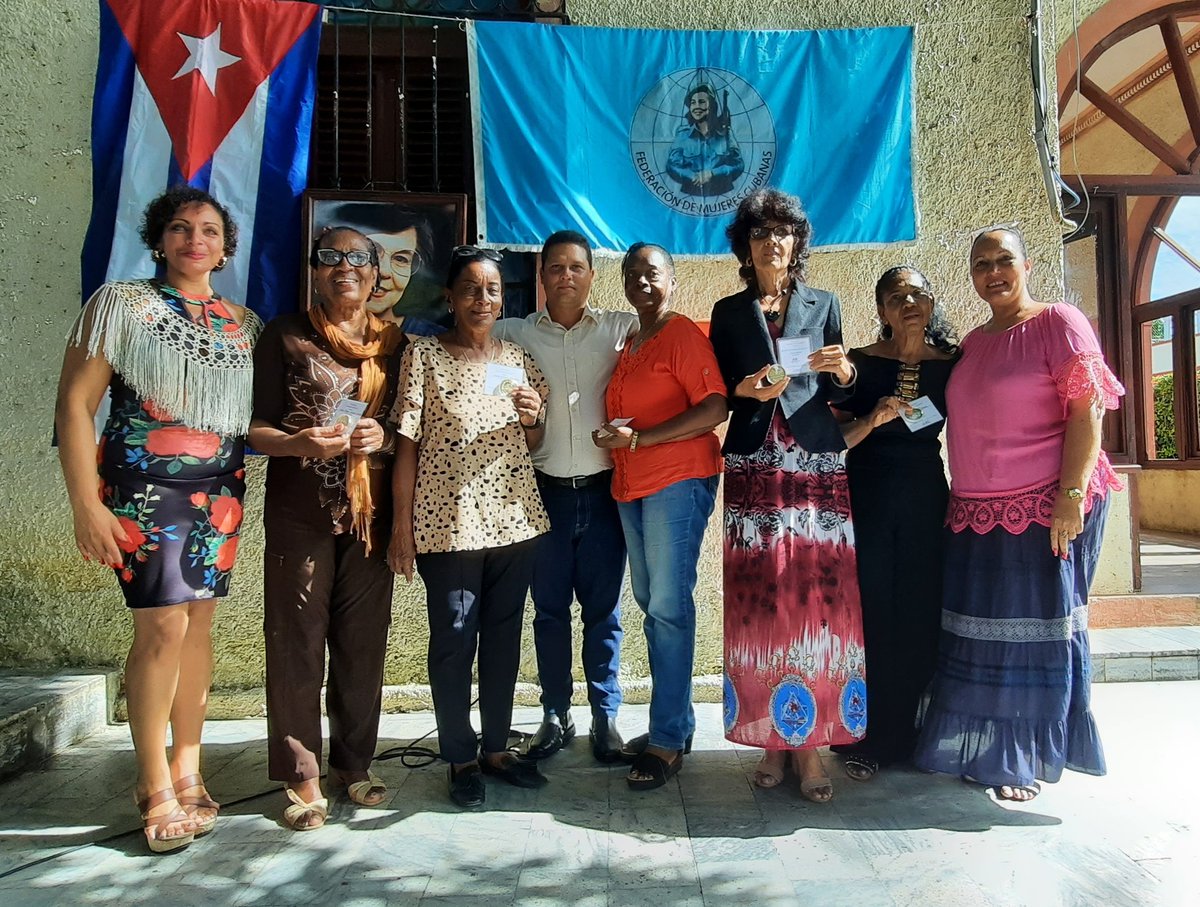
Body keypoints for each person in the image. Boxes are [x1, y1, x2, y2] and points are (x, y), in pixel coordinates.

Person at [55, 187, 261, 852]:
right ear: (159, 240)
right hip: (143, 492)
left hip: (219, 491)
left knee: (197, 620)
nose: (193, 239)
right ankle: (153, 783)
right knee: (162, 624)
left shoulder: (244, 322)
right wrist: (85, 501)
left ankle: (187, 764)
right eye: (179, 228)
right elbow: (75, 405)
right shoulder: (120, 305)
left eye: (207, 229)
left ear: (225, 247)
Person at [913, 226, 1124, 802]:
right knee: (983, 640)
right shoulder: (975, 342)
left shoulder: (1058, 321)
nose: (993, 272)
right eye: (981, 264)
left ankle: (1024, 759)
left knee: (1033, 639)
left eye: (1003, 260)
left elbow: (1089, 410)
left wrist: (1071, 496)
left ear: (1027, 265)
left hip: (1044, 507)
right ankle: (984, 750)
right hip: (977, 514)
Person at [708, 188, 865, 804]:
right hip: (753, 468)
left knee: (818, 606)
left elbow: (842, 389)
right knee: (762, 604)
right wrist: (745, 390)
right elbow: (718, 392)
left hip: (815, 467)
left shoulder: (824, 303)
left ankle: (812, 747)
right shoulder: (727, 312)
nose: (772, 243)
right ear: (745, 246)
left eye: (783, 233)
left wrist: (845, 369)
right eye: (760, 233)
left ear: (798, 242)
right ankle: (772, 740)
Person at [249, 227, 407, 831]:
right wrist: (295, 440)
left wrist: (381, 437)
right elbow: (254, 429)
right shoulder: (285, 335)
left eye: (359, 259)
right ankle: (301, 773)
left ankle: (354, 763)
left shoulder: (396, 345)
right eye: (331, 257)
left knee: (363, 642)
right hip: (301, 514)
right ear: (314, 270)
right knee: (296, 641)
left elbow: (406, 428)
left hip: (370, 520)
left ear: (376, 274)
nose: (346, 267)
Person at [388, 246, 551, 808]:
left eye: (492, 289)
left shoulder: (517, 358)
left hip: (515, 519)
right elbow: (406, 445)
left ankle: (498, 747)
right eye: (470, 289)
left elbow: (531, 443)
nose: (483, 299)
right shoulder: (425, 356)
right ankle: (460, 755)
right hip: (449, 522)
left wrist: (534, 417)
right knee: (455, 639)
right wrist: (400, 527)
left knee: (504, 639)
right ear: (451, 297)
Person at [493, 232, 636, 763]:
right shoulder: (512, 334)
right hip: (542, 494)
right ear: (542, 276)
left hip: (603, 496)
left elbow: (674, 343)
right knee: (549, 611)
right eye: (556, 268)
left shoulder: (623, 329)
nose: (566, 276)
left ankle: (606, 715)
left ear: (592, 275)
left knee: (604, 612)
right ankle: (555, 713)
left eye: (577, 267)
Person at [592, 242, 726, 791]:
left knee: (668, 607)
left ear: (671, 280)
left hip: (677, 480)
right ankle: (679, 722)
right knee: (652, 604)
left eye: (651, 272)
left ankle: (667, 738)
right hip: (631, 485)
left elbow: (715, 406)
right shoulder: (632, 342)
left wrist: (642, 438)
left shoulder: (681, 335)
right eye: (631, 273)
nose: (640, 281)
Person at [829, 267, 960, 781]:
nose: (908, 303)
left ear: (930, 304)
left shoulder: (953, 366)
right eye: (895, 297)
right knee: (873, 611)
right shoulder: (858, 365)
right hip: (868, 496)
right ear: (881, 310)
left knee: (920, 612)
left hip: (926, 496)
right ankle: (871, 734)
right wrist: (874, 418)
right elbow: (833, 440)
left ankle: (911, 731)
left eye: (917, 294)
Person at [326, 202, 447, 330]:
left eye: (401, 259)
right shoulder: (308, 336)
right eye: (371, 255)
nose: (383, 272)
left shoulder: (434, 341)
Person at [666, 84, 744, 197]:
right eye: (693, 103)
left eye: (701, 102)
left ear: (712, 106)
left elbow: (738, 164)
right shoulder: (682, 135)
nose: (696, 106)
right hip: (691, 194)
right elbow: (672, 165)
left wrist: (712, 173)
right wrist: (692, 176)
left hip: (724, 193)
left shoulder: (725, 134)